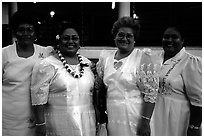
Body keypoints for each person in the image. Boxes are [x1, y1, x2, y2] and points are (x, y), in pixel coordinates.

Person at [95, 16, 161, 136]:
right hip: (113, 115)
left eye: (129, 36)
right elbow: (100, 89)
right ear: (115, 36)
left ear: (135, 39)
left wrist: (145, 122)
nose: (124, 38)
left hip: (134, 115)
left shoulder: (143, 58)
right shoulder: (106, 59)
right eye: (120, 35)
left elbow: (150, 95)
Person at [31, 21, 96, 136]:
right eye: (66, 38)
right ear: (59, 40)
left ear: (79, 41)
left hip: (87, 122)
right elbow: (38, 99)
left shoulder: (87, 63)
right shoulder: (47, 65)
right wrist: (40, 124)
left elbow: (92, 93)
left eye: (74, 38)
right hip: (58, 124)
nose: (70, 41)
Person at [2, 11, 53, 136]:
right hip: (7, 122)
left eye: (30, 29)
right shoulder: (3, 54)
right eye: (21, 30)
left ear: (35, 32)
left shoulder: (46, 52)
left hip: (38, 121)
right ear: (14, 32)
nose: (26, 33)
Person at [151, 26, 202, 136]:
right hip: (155, 115)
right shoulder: (156, 59)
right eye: (166, 37)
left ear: (182, 40)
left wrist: (194, 126)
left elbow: (198, 100)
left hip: (177, 117)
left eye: (174, 37)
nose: (169, 40)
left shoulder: (190, 62)